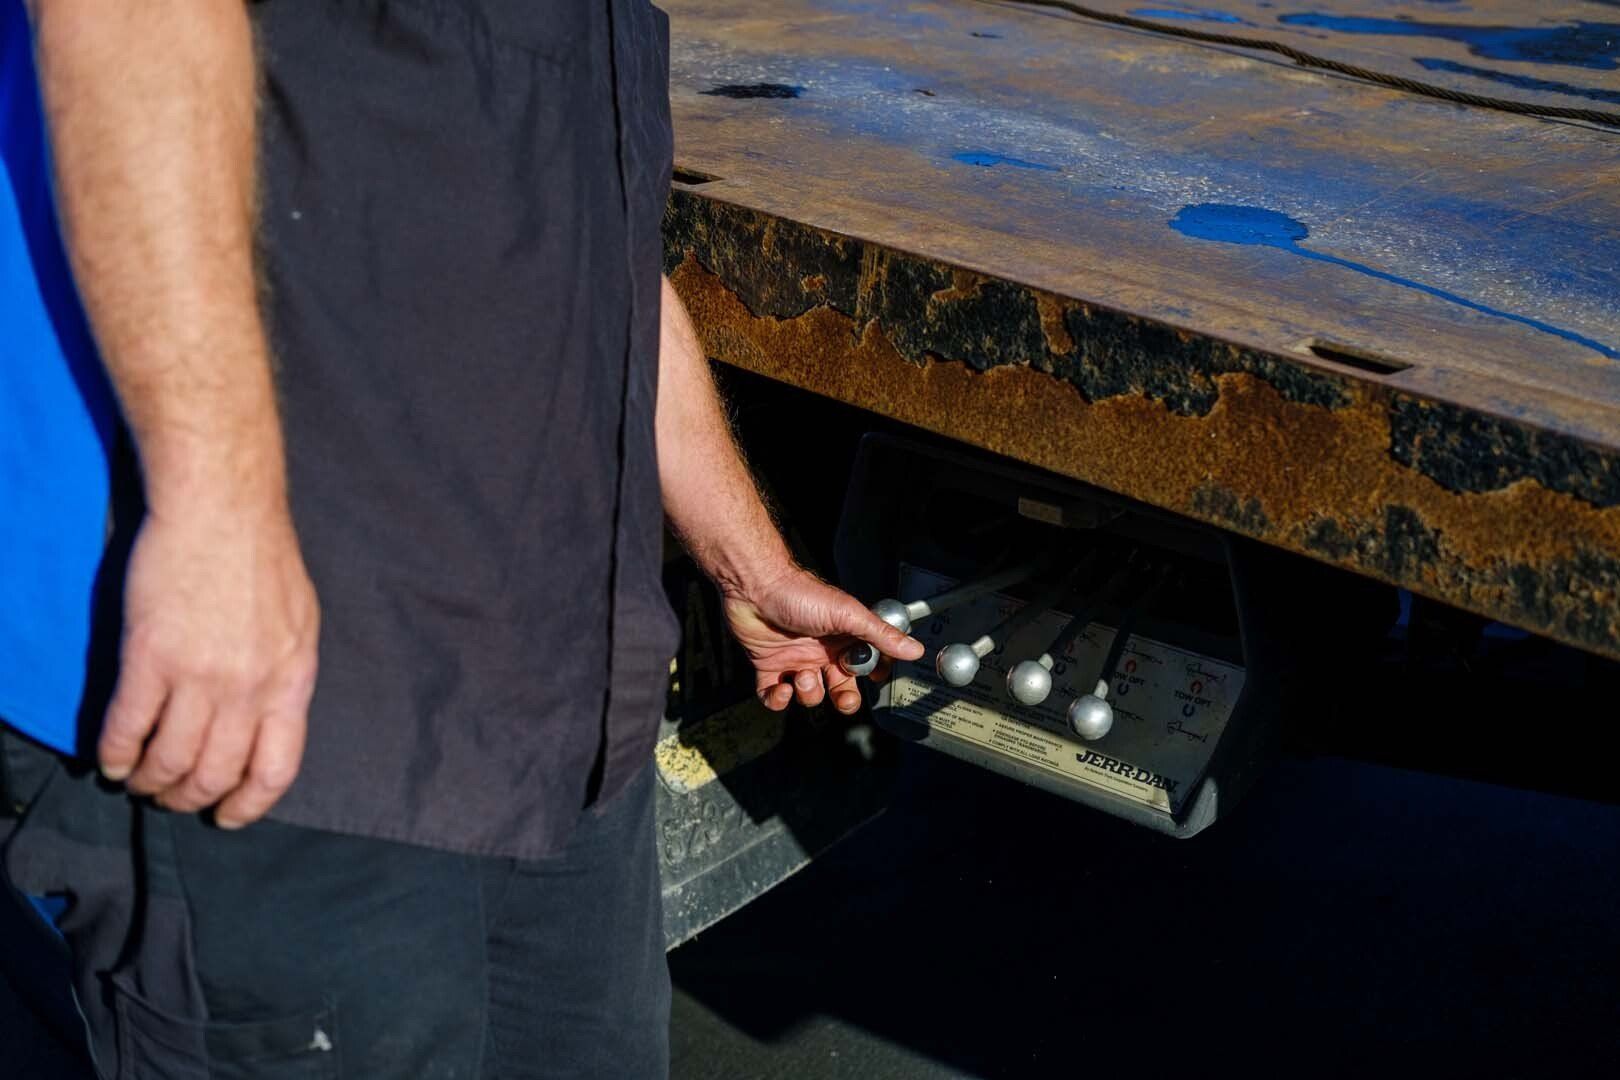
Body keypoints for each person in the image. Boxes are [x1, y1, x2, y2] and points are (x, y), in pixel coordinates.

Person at [0, 0, 924, 1076]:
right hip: (278, 679)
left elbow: (587, 225)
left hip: (544, 676)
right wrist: (214, 518)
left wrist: (744, 558)